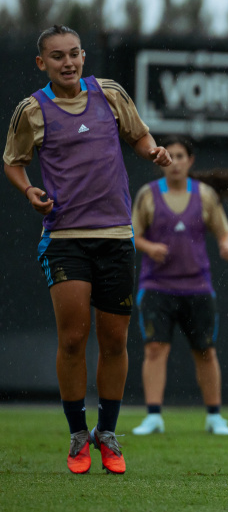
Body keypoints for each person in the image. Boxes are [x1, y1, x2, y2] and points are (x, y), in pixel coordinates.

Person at [2, 25, 172, 474]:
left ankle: (107, 433)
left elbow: (139, 136)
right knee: (74, 339)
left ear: (83, 57)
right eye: (58, 56)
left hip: (115, 236)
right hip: (65, 239)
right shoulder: (31, 110)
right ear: (41, 63)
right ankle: (78, 434)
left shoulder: (109, 94)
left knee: (114, 341)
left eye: (74, 53)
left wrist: (153, 152)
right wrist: (28, 190)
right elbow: (13, 162)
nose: (68, 62)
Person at [130, 136, 228, 436]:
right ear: (160, 161)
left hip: (197, 287)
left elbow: (223, 230)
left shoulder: (205, 195)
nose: (175, 162)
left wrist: (226, 245)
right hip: (156, 286)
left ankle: (214, 417)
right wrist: (149, 247)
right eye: (170, 156)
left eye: (181, 156)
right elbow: (133, 234)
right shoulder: (148, 195)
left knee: (205, 350)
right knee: (155, 349)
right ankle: (153, 416)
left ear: (190, 161)